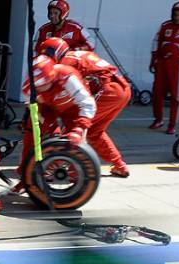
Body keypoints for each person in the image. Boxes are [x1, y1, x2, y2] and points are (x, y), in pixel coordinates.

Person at [40, 37, 130, 177]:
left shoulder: (65, 63)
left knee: (76, 126)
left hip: (108, 90)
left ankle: (69, 169)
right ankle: (119, 165)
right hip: (121, 89)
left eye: (47, 54)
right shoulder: (77, 54)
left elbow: (77, 92)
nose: (46, 59)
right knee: (95, 131)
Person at [18, 55, 96, 175]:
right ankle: (26, 174)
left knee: (76, 144)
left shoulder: (68, 77)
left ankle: (77, 177)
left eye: (44, 84)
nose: (41, 88)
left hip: (72, 108)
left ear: (53, 77)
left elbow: (88, 104)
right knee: (32, 133)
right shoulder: (29, 88)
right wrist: (50, 128)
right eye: (37, 86)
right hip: (48, 107)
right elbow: (35, 112)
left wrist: (79, 128)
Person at [150, 1, 179, 134]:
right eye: (175, 14)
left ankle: (172, 124)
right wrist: (153, 60)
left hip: (177, 66)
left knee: (176, 97)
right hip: (162, 63)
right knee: (157, 93)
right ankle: (158, 120)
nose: (177, 17)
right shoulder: (165, 26)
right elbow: (155, 42)